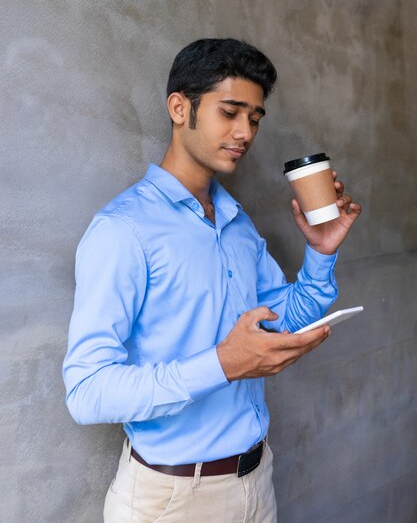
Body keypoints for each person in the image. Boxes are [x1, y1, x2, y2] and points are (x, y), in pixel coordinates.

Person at [63, 38, 361, 523]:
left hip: (256, 482)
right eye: (230, 112)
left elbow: (279, 318)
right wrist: (223, 363)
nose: (245, 132)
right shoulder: (123, 230)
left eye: (256, 118)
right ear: (180, 108)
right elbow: (87, 390)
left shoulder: (236, 223)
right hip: (171, 499)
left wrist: (321, 253)